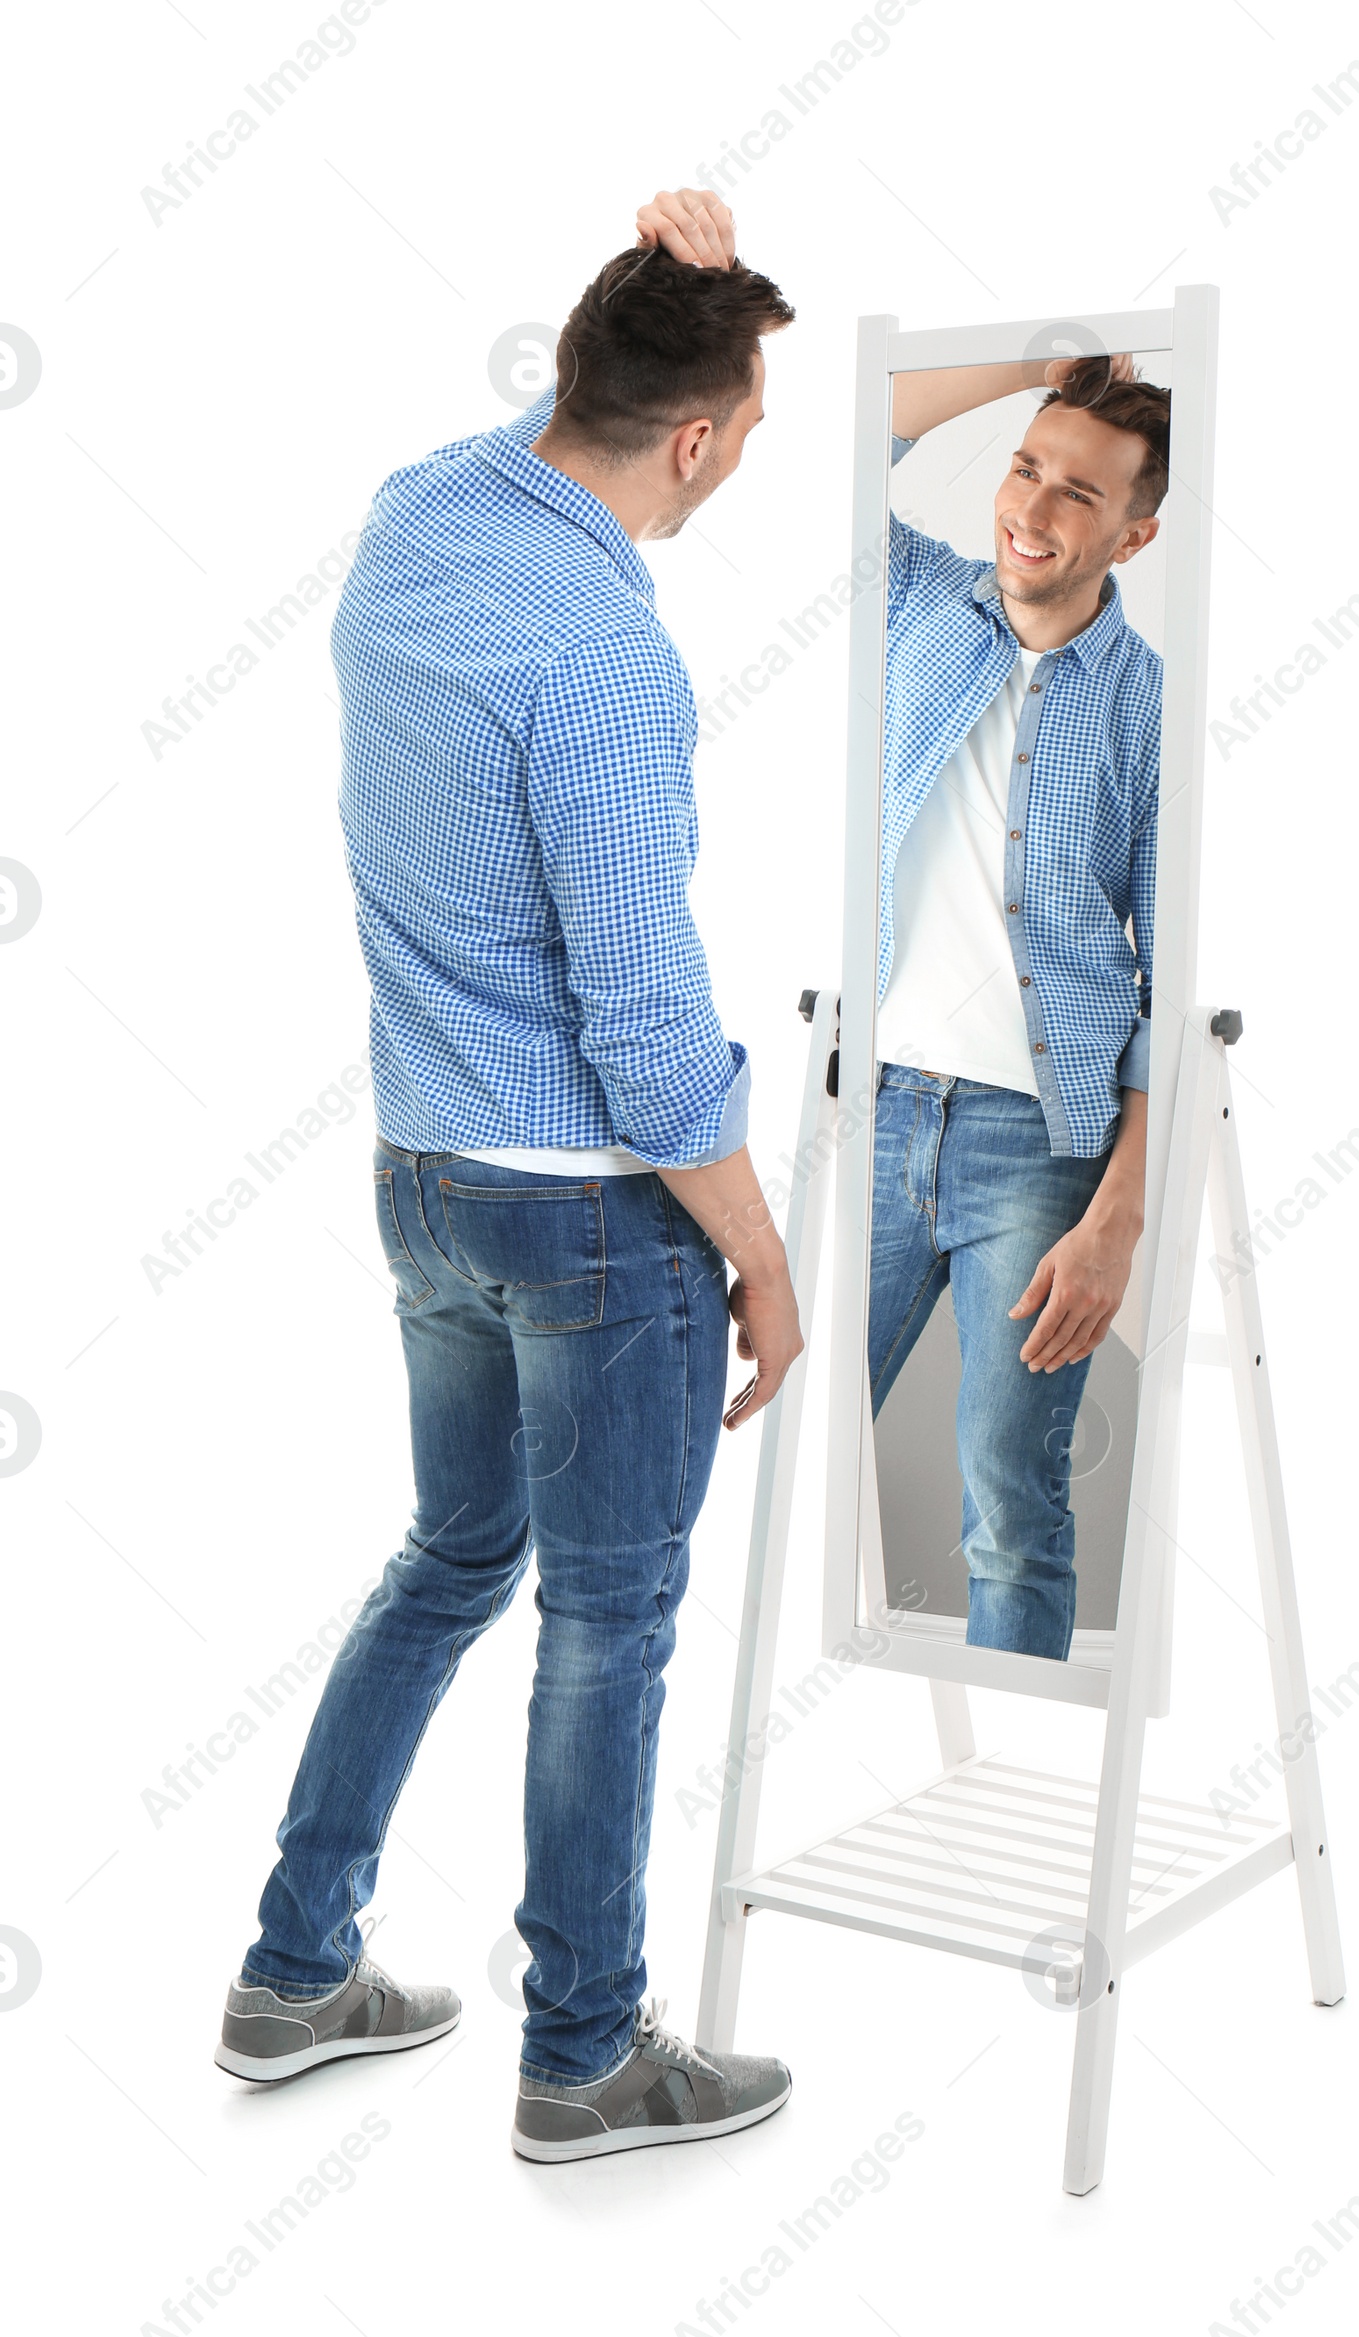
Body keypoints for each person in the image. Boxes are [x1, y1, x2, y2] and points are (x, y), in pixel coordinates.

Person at [214, 189, 804, 2163]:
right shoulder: (608, 661)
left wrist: (663, 268)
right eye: (745, 419)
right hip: (581, 1211)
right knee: (606, 1622)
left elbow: (534, 412)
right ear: (703, 437)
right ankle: (583, 2051)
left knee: (454, 1556)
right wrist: (762, 1248)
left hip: (422, 1181)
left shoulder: (417, 522)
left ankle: (296, 1969)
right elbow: (648, 1038)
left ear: (572, 376)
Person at [869, 354, 1169, 1662]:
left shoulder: (1154, 707)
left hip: (1040, 1150)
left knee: (1010, 1513)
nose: (1033, 512)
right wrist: (1036, 366)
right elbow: (846, 439)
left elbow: (1181, 981)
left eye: (1079, 493)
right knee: (789, 1455)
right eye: (1025, 467)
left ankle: (1026, 1802)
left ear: (1136, 532)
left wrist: (1120, 1216)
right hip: (870, 1115)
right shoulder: (921, 605)